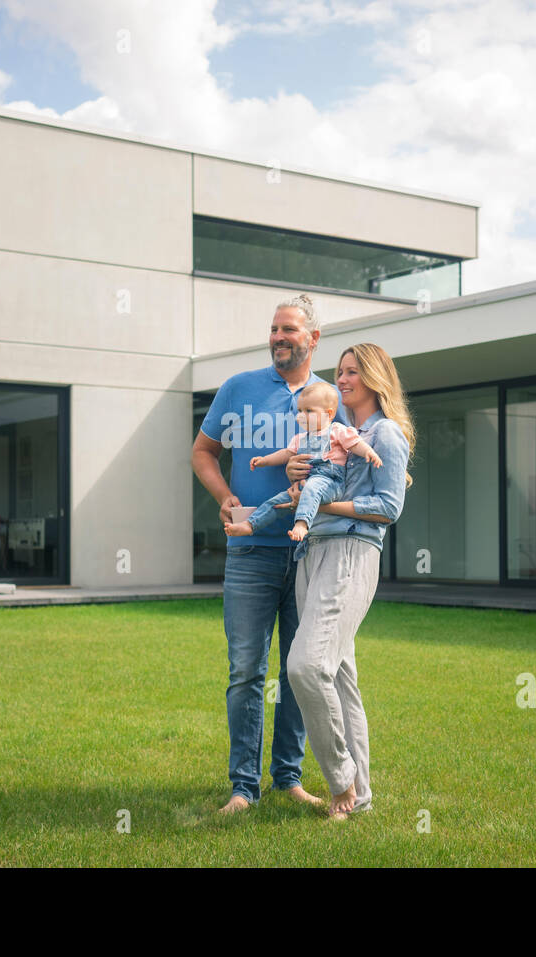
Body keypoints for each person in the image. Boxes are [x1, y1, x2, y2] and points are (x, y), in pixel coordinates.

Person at [191, 293, 353, 814]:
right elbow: (203, 452)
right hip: (250, 553)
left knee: (297, 671)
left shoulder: (333, 397)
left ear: (313, 339)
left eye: (290, 330)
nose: (279, 337)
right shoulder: (239, 389)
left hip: (311, 552)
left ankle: (288, 777)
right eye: (275, 329)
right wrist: (225, 497)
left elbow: (352, 463)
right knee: (245, 671)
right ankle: (243, 787)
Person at [281, 343, 413, 820]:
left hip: (351, 553)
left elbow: (388, 507)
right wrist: (299, 482)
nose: (343, 379)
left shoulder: (385, 433)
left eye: (353, 372)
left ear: (375, 377)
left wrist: (320, 505)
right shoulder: (336, 434)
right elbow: (316, 482)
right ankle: (364, 798)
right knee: (338, 677)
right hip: (312, 552)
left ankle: (343, 782)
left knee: (305, 665)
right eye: (340, 371)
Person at [223, 381, 382, 541]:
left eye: (309, 411)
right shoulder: (300, 438)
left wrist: (369, 452)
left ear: (329, 413)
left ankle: (302, 524)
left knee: (312, 488)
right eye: (300, 411)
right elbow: (286, 454)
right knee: (278, 501)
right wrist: (264, 460)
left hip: (330, 482)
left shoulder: (336, 430)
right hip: (306, 483)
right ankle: (250, 524)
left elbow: (355, 444)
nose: (301, 416)